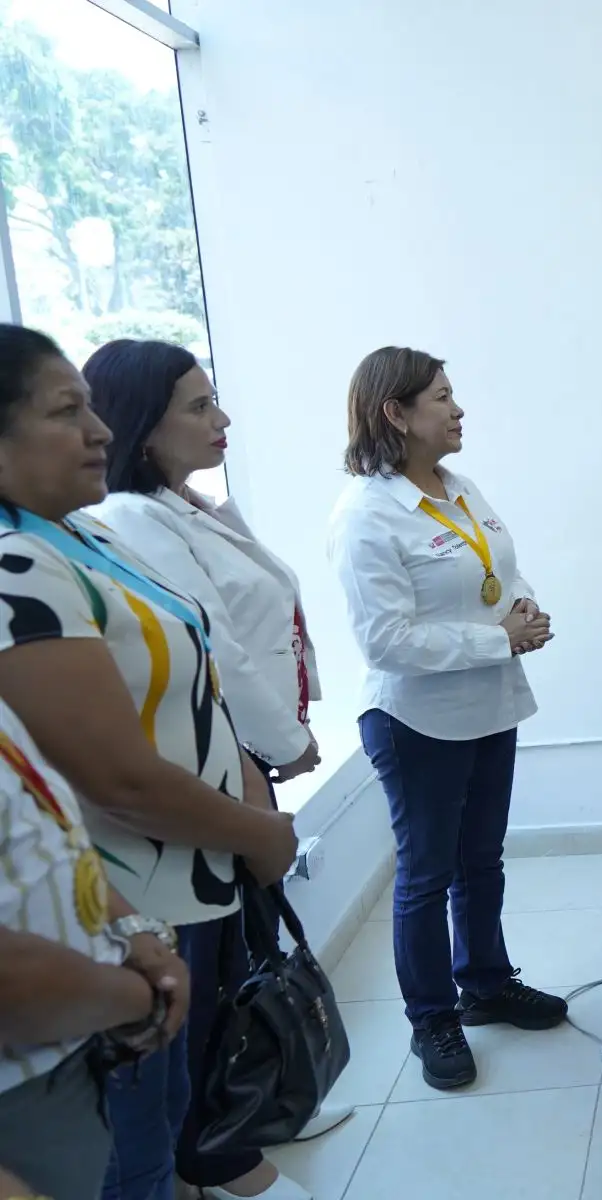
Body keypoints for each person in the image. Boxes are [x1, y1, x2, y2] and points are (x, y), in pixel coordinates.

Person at [0, 325, 296, 1200]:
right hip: (139, 883)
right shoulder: (18, 567)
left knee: (165, 1120)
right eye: (67, 411)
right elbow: (114, 779)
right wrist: (257, 833)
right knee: (131, 1153)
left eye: (94, 409)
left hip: (167, 893)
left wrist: (247, 796)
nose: (98, 430)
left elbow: (198, 674)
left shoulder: (83, 538)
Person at [84, 340, 348, 1199]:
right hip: (208, 775)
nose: (221, 419)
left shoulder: (185, 505)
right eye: (199, 406)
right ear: (142, 426)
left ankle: (238, 1123)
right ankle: (220, 1150)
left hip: (239, 764)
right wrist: (279, 746)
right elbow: (215, 652)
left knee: (241, 962)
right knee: (208, 984)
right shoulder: (130, 520)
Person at [327, 346, 562, 1094]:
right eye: (442, 398)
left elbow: (497, 562)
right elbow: (385, 641)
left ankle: (486, 983)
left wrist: (521, 603)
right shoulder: (367, 514)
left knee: (481, 860)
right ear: (395, 413)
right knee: (426, 876)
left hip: (488, 705)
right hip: (418, 722)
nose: (459, 410)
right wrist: (500, 637)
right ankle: (433, 1018)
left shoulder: (458, 487)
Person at [0, 696, 190, 1200]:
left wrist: (135, 932)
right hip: (23, 1085)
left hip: (76, 1043)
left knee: (147, 1159)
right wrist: (138, 1001)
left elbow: (47, 838)